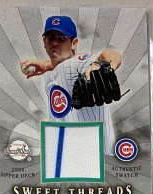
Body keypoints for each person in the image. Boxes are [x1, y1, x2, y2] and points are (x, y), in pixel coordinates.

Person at [19, 16, 122, 156]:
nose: (54, 42)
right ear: (44, 42)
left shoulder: (78, 64)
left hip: (95, 157)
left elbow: (110, 54)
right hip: (66, 159)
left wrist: (105, 65)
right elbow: (62, 64)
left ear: (74, 43)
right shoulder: (54, 73)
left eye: (61, 38)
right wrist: (46, 65)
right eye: (50, 37)